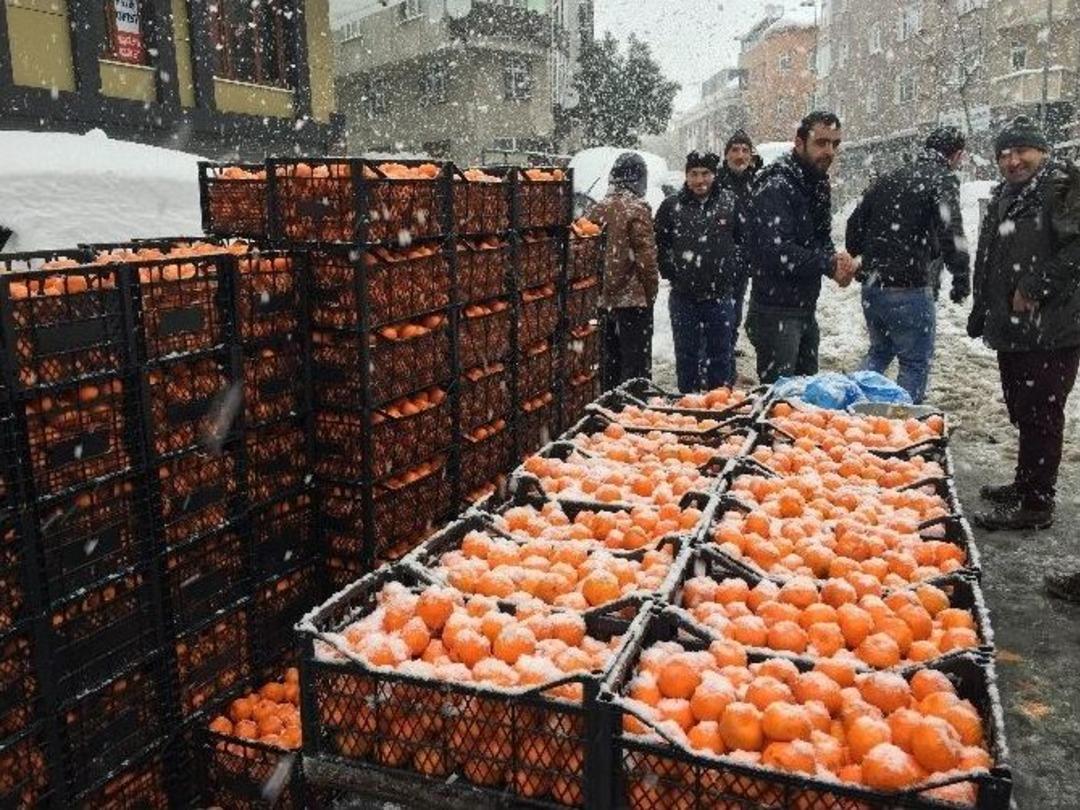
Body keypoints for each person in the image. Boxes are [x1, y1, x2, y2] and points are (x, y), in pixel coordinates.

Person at [967, 116, 1080, 532]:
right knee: (1022, 408)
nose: (1012, 161)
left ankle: (1037, 504)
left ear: (1043, 152)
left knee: (1042, 415)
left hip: (1051, 329)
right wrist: (982, 306)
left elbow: (1076, 250)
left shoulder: (1064, 185)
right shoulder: (1007, 193)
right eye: (1004, 154)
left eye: (1021, 152)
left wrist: (1036, 285)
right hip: (1013, 328)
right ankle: (1025, 482)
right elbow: (992, 255)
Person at [844, 127, 971, 404]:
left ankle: (849, 409)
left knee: (879, 351)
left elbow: (853, 231)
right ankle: (902, 429)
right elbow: (951, 228)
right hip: (909, 287)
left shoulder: (888, 178)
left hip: (873, 286)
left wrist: (870, 252)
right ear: (957, 155)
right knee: (914, 363)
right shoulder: (942, 178)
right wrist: (961, 274)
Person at [745, 111, 856, 383]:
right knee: (778, 402)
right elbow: (777, 252)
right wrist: (828, 264)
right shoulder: (776, 184)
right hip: (775, 311)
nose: (829, 151)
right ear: (799, 142)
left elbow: (821, 236)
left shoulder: (816, 183)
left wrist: (835, 263)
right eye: (821, 142)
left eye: (834, 144)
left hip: (805, 307)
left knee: (804, 401)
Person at [654, 150, 743, 392]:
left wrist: (731, 270)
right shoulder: (671, 206)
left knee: (721, 357)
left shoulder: (729, 202)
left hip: (720, 297)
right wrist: (671, 271)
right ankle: (689, 409)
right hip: (684, 298)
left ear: (714, 175)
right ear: (686, 176)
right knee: (686, 358)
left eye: (705, 174)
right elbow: (661, 245)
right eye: (694, 174)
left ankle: (719, 409)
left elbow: (742, 242)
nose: (700, 180)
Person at [587, 152, 660, 389]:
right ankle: (633, 414)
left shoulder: (597, 209)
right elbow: (646, 259)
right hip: (633, 301)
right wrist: (650, 293)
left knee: (609, 363)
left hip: (603, 300)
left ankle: (609, 411)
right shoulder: (637, 208)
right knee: (636, 368)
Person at [716, 130, 762, 338]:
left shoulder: (758, 182)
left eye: (745, 150)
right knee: (719, 310)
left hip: (745, 258)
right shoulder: (716, 182)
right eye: (735, 150)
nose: (740, 155)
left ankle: (729, 346)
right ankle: (718, 352)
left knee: (736, 309)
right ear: (726, 155)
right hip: (719, 257)